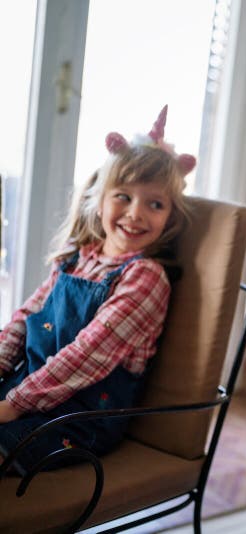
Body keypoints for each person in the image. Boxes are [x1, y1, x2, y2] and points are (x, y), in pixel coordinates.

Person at [0, 106, 195, 475]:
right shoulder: (75, 260)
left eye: (154, 204)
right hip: (28, 391)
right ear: (100, 199)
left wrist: (13, 404)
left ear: (170, 216)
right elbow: (24, 319)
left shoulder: (146, 278)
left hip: (77, 418)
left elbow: (88, 354)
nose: (136, 213)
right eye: (123, 196)